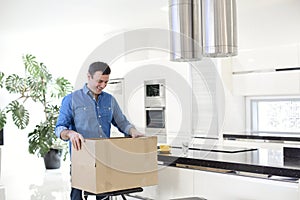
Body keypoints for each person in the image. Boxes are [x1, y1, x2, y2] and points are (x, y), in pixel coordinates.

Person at [55, 61, 144, 200]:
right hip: (82, 160)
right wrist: (70, 133)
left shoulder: (110, 100)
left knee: (104, 196)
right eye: (99, 81)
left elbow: (122, 122)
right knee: (77, 196)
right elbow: (60, 128)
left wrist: (132, 131)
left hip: (104, 159)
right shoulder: (71, 100)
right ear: (89, 77)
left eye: (106, 82)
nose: (102, 86)